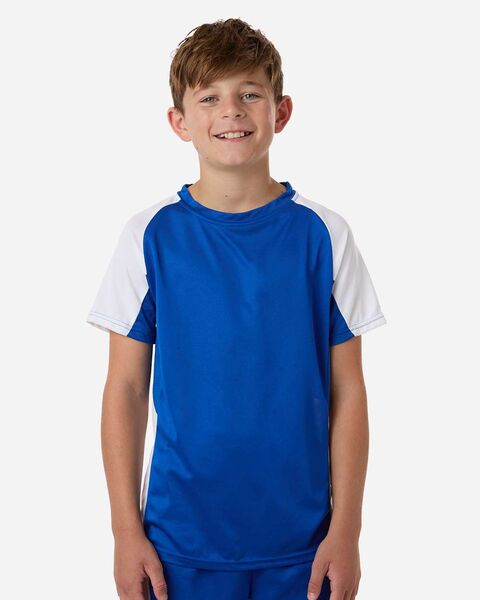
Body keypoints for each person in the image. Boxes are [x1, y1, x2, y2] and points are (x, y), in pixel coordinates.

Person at [86, 17, 387, 600]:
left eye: (250, 93)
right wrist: (125, 532)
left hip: (304, 544)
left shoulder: (324, 235)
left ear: (282, 111)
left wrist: (347, 531)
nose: (231, 111)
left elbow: (349, 390)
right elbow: (125, 387)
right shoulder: (149, 236)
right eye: (209, 97)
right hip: (177, 543)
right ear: (179, 121)